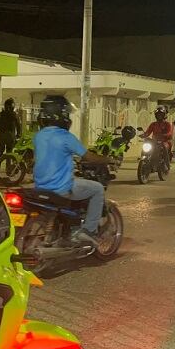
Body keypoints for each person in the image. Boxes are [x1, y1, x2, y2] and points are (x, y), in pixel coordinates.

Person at [33, 95, 112, 244]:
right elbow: (89, 157)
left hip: (40, 188)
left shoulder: (39, 136)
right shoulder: (66, 137)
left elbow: (53, 155)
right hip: (60, 188)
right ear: (60, 114)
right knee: (97, 189)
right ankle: (89, 230)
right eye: (66, 113)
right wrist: (108, 159)